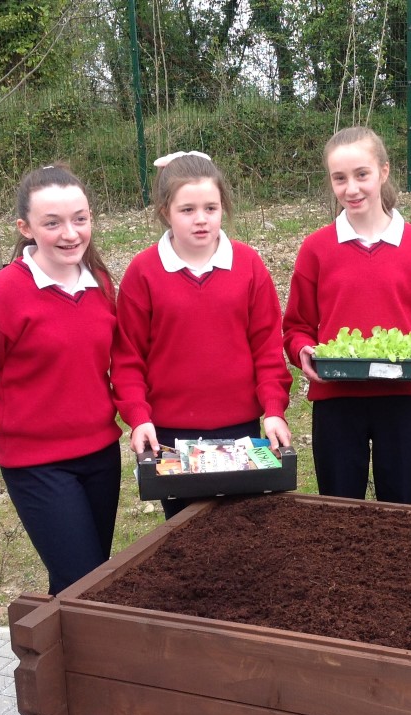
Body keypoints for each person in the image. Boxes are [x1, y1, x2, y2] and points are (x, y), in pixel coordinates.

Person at [0, 164, 123, 594]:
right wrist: (28, 407)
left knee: (87, 579)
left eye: (79, 219)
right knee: (82, 583)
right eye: (52, 223)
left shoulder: (101, 284)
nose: (70, 233)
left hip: (101, 455)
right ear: (25, 228)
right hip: (37, 464)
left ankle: (58, 638)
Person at [112, 151, 292, 519]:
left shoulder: (248, 265)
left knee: (242, 529)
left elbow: (267, 349)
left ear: (223, 207)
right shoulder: (143, 272)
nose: (201, 219)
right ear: (165, 211)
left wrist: (274, 410)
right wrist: (139, 417)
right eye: (187, 210)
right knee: (185, 533)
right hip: (170, 436)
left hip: (241, 431)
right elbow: (128, 358)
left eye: (210, 208)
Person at [283, 126, 411, 505]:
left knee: (401, 507)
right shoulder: (316, 248)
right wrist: (303, 350)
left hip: (402, 397)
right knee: (340, 508)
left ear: (383, 172)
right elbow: (297, 327)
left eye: (362, 175)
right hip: (337, 398)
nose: (351, 188)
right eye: (340, 178)